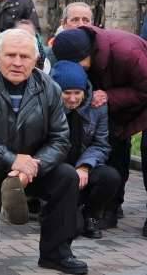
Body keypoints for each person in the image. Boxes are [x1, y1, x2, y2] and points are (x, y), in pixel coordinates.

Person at [0, 29, 84, 274]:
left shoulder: (49, 87)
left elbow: (60, 139)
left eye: (24, 56)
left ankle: (56, 253)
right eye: (10, 55)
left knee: (66, 177)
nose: (17, 62)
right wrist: (11, 160)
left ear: (36, 60)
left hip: (27, 169)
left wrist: (35, 165)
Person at [51, 26, 147, 232]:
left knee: (117, 157)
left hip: (135, 101)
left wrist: (109, 96)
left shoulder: (127, 52)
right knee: (110, 149)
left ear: (85, 55)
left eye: (75, 64)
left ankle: (109, 209)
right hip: (113, 107)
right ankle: (101, 210)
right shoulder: (89, 58)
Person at [50, 61, 121, 240]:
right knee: (70, 230)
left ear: (85, 91)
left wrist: (84, 166)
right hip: (57, 170)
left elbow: (101, 144)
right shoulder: (48, 107)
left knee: (110, 176)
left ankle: (91, 215)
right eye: (66, 93)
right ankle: (62, 210)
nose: (73, 99)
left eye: (77, 93)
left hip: (83, 167)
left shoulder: (98, 107)